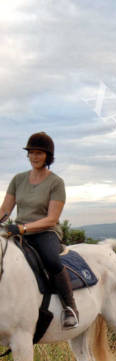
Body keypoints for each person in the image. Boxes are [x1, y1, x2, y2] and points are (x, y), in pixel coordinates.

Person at [0, 132, 79, 328]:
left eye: (39, 153)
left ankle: (70, 307)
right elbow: (4, 210)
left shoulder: (56, 182)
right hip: (18, 232)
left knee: (51, 260)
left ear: (48, 156)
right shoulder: (18, 179)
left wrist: (23, 227)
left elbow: (52, 218)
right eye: (31, 153)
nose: (34, 157)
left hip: (45, 232)